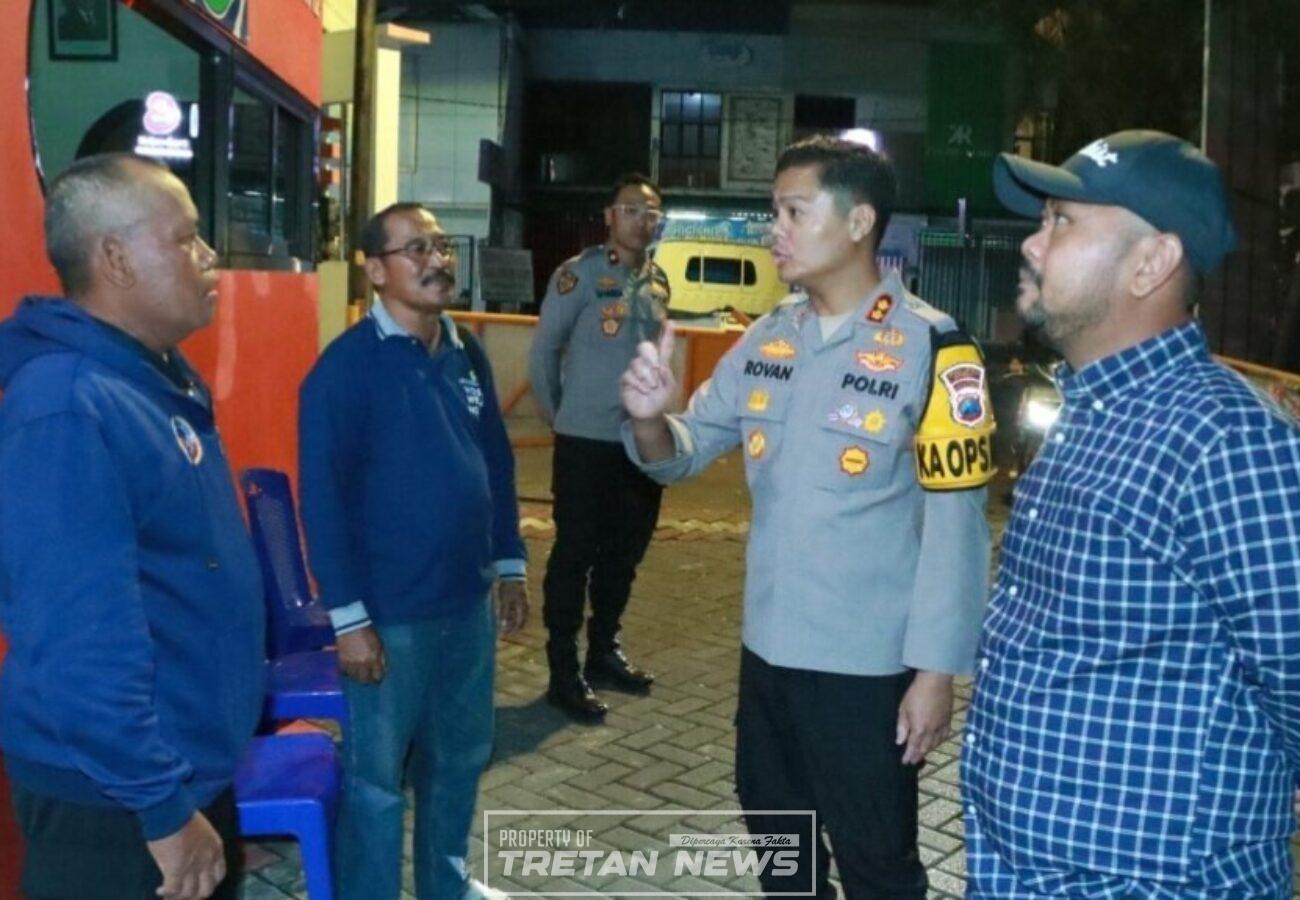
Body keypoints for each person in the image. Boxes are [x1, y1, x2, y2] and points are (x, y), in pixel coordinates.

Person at [620, 136, 994, 898]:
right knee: (782, 856)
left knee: (878, 864)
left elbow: (957, 531)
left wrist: (935, 674)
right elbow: (682, 452)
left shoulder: (935, 348)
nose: (775, 231)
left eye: (794, 212)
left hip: (867, 673)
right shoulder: (769, 336)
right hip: (768, 657)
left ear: (859, 222)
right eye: (774, 212)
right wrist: (651, 418)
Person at [962, 130, 1300, 897]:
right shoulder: (1093, 412)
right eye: (1042, 221)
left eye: (1063, 222)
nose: (1034, 246)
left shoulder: (1225, 439)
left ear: (1152, 263)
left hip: (1154, 880)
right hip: (1034, 869)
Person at [0, 153, 262, 900]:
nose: (208, 255)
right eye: (184, 238)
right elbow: (78, 638)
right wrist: (161, 806)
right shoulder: (68, 406)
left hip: (181, 771)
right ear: (114, 259)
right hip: (115, 799)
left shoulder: (151, 380)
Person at [299, 202, 528, 900]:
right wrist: (349, 620)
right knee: (376, 782)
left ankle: (443, 888)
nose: (438, 260)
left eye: (442, 245)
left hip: (466, 605)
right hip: (389, 616)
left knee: (458, 762)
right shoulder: (344, 371)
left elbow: (495, 461)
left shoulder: (466, 352)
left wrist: (510, 564)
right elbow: (323, 501)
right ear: (375, 270)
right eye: (417, 249)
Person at [529, 173, 670, 723]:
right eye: (631, 209)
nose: (642, 220)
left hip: (640, 445)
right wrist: (561, 416)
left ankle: (603, 651)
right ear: (610, 216)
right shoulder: (579, 275)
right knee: (575, 556)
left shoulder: (657, 282)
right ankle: (563, 671)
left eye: (651, 212)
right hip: (586, 443)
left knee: (625, 554)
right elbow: (545, 351)